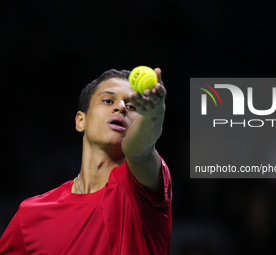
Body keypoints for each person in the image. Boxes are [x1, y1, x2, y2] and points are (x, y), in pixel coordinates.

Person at [0, 67, 172, 254]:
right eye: (108, 100)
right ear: (80, 120)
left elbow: (138, 150)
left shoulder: (142, 189)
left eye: (132, 107)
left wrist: (153, 118)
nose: (121, 107)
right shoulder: (30, 215)